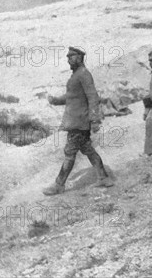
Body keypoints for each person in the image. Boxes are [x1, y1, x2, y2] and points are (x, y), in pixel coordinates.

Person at [43, 47, 113, 196]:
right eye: (68, 57)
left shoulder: (84, 75)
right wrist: (56, 100)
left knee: (70, 152)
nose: (68, 59)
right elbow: (71, 96)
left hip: (79, 123)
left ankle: (59, 185)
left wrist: (94, 120)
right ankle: (104, 178)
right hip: (77, 122)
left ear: (80, 58)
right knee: (88, 149)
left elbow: (93, 97)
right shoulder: (77, 75)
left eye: (71, 57)